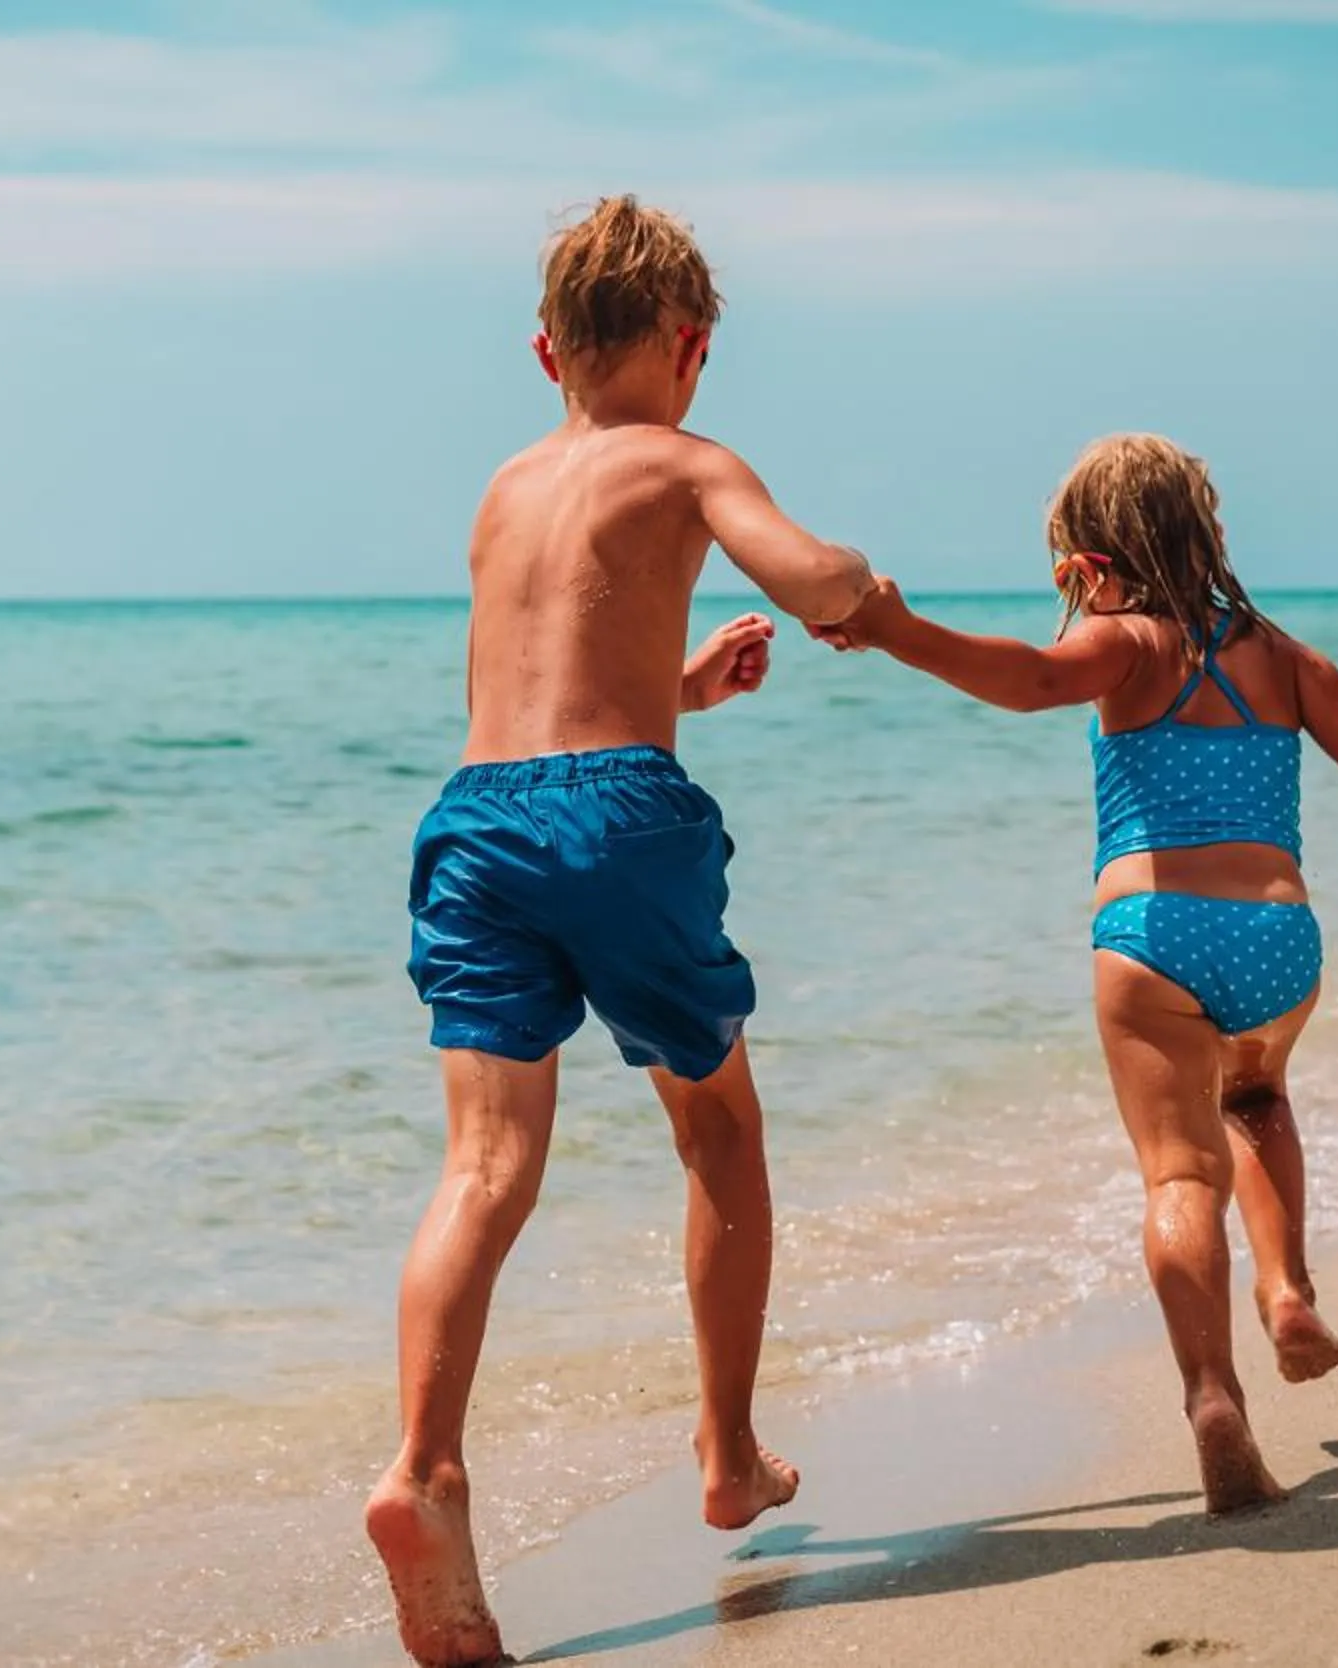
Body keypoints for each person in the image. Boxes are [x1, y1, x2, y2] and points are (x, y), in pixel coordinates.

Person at [818, 432, 1338, 1512]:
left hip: (1153, 935)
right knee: (1256, 1096)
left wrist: (892, 629)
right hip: (1278, 938)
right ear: (1204, 535)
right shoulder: (1289, 659)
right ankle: (1288, 1287)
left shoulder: (1123, 643)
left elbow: (1024, 678)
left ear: (1092, 558)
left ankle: (1214, 1396)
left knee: (1179, 1177)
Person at [369, 196, 877, 1666]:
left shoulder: (502, 490)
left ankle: (424, 1470)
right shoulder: (689, 457)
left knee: (484, 1166)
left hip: (475, 816)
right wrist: (856, 592)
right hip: (618, 819)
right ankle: (727, 1455)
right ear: (692, 343)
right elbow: (809, 577)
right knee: (718, 1128)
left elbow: (526, 686)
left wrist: (686, 689)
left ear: (546, 353)